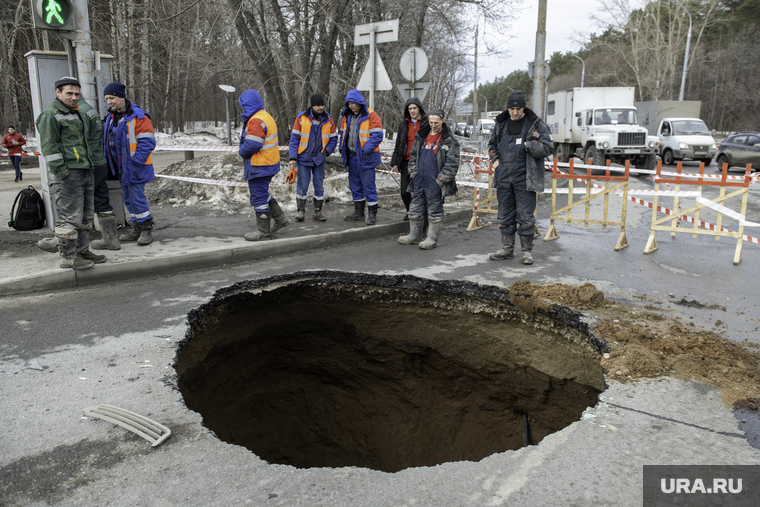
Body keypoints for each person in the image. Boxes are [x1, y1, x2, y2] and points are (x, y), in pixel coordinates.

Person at [35, 77, 107, 270]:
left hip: (85, 170)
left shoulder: (77, 114)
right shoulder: (50, 115)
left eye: (76, 94)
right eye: (69, 93)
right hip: (68, 174)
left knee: (85, 216)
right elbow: (49, 149)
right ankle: (68, 256)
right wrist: (62, 173)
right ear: (58, 93)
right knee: (68, 217)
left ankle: (82, 250)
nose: (74, 97)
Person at [37, 96, 121, 253]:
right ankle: (111, 239)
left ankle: (61, 242)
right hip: (99, 161)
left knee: (73, 206)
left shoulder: (78, 112)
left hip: (86, 165)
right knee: (101, 200)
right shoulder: (90, 110)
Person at [487, 90, 553, 265]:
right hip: (503, 177)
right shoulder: (501, 125)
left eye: (518, 108)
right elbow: (492, 145)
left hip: (525, 177)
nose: (515, 112)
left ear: (523, 108)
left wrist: (528, 145)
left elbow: (547, 147)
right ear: (508, 108)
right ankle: (507, 249)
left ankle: (526, 252)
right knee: (504, 214)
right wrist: (495, 160)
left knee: (525, 216)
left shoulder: (535, 124)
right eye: (511, 108)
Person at [103, 82, 157, 246]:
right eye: (107, 99)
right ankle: (137, 228)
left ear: (121, 96)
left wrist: (136, 163)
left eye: (111, 98)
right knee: (128, 199)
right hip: (120, 168)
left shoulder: (138, 116)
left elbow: (147, 143)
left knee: (137, 198)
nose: (109, 102)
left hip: (135, 167)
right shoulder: (112, 117)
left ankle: (146, 228)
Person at [398, 109, 459, 250]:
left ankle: (431, 238)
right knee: (415, 208)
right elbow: (413, 155)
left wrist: (441, 180)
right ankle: (415, 235)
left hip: (435, 182)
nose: (433, 125)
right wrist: (413, 172)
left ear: (443, 121)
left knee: (434, 210)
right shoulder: (422, 136)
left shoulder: (449, 140)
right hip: (419, 179)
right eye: (431, 122)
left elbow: (452, 164)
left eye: (436, 122)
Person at [239, 88, 290, 241]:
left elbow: (253, 144)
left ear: (247, 105)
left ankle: (263, 231)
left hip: (259, 165)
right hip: (267, 163)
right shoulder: (264, 116)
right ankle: (281, 219)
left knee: (259, 197)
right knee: (263, 193)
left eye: (243, 106)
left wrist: (241, 152)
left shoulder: (256, 120)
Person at [287, 94, 337, 221]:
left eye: (322, 105)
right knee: (302, 185)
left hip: (319, 158)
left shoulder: (328, 119)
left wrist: (327, 152)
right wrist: (292, 157)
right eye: (318, 105)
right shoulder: (301, 118)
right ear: (312, 106)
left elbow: (333, 138)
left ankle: (318, 211)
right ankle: (300, 212)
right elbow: (294, 139)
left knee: (319, 185)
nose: (321, 107)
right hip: (304, 158)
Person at [337, 89, 383, 225]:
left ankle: (372, 214)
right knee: (355, 185)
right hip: (352, 157)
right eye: (349, 103)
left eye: (353, 103)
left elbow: (377, 135)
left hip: (365, 157)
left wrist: (365, 150)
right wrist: (342, 148)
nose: (351, 106)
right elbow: (343, 134)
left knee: (368, 186)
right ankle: (359, 212)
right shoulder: (347, 116)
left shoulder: (371, 115)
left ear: (360, 102)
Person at [390, 98, 427, 221]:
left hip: (422, 162)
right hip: (406, 162)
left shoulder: (426, 123)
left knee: (419, 192)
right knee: (404, 192)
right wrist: (395, 161)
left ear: (419, 108)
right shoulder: (404, 124)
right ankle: (411, 211)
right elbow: (399, 144)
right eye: (410, 109)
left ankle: (420, 215)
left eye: (414, 108)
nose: (412, 111)